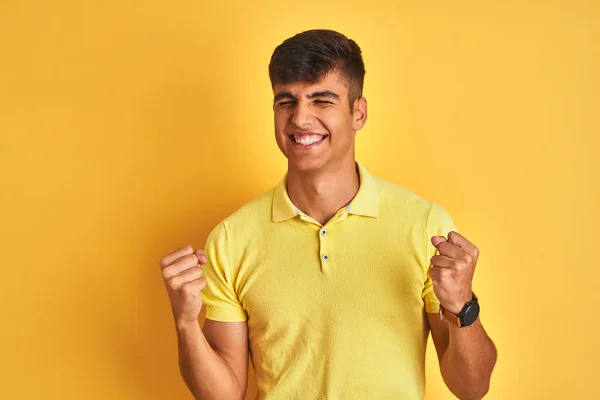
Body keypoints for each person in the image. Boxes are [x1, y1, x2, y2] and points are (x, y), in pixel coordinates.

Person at [159, 29, 497, 400]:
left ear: (359, 112)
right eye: (286, 101)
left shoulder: (424, 225)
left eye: (322, 100)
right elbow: (223, 396)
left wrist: (463, 307)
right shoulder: (231, 239)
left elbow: (471, 388)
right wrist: (186, 321)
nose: (300, 118)